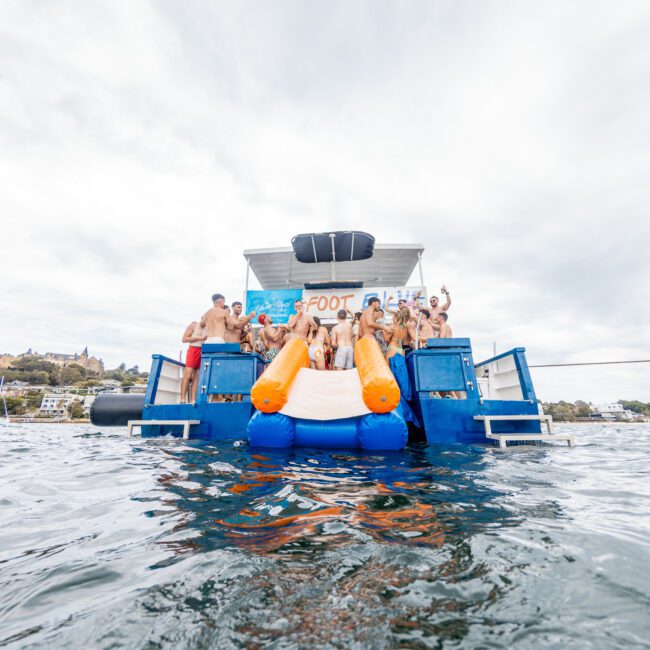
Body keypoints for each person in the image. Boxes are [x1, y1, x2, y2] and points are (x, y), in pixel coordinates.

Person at [180, 320, 207, 402]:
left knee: (197, 377)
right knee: (187, 376)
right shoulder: (193, 325)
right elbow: (184, 339)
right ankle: (182, 399)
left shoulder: (209, 328)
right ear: (202, 318)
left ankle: (193, 400)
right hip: (193, 349)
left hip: (203, 351)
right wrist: (199, 338)